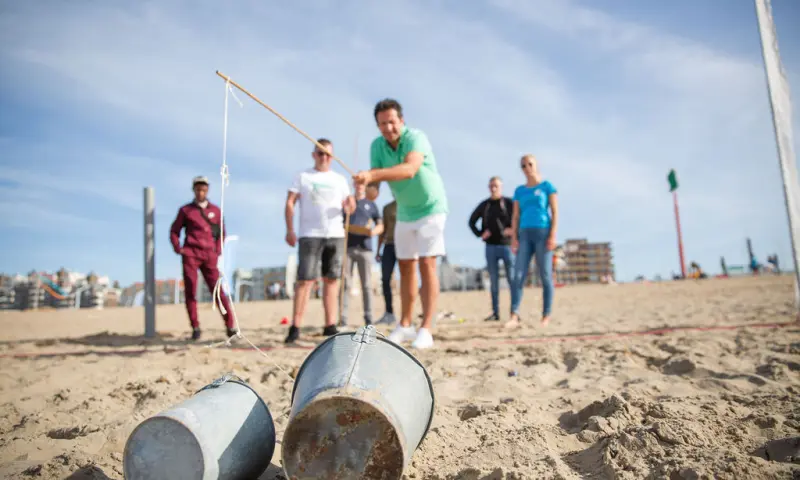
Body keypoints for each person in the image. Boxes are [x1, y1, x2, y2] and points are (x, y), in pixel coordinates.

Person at [353, 98, 448, 349]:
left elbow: (409, 169)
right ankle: (405, 324)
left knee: (427, 263)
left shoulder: (416, 137)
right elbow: (375, 187)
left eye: (392, 122)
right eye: (383, 124)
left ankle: (426, 327)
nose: (388, 128)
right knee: (405, 267)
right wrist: (363, 184)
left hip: (431, 207)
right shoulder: (376, 146)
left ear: (401, 121)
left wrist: (373, 174)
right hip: (404, 210)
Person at [284, 139, 355, 344]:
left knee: (331, 280)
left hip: (335, 234)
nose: (324, 157)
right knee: (305, 280)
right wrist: (289, 229)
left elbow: (349, 208)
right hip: (310, 234)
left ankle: (329, 325)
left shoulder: (340, 180)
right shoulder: (303, 176)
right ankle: (295, 326)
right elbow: (290, 203)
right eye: (320, 153)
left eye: (328, 154)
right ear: (314, 154)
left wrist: (351, 204)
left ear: (332, 157)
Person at [169, 176, 236, 340]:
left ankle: (230, 326)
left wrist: (217, 250)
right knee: (191, 290)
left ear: (207, 190)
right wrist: (179, 249)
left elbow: (221, 233)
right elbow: (174, 231)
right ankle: (196, 327)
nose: (201, 192)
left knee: (218, 290)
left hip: (209, 255)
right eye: (198, 189)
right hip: (191, 254)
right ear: (194, 190)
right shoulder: (186, 211)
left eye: (204, 189)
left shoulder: (216, 210)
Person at [508, 154, 559, 328]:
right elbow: (515, 216)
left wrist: (552, 235)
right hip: (524, 234)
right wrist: (514, 238)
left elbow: (554, 212)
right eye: (523, 166)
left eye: (529, 164)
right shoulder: (519, 191)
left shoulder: (547, 186)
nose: (526, 168)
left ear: (536, 165)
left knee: (545, 275)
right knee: (518, 275)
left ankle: (546, 315)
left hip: (543, 233)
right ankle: (514, 314)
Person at [468, 176, 515, 322]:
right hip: (490, 247)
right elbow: (471, 221)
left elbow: (519, 218)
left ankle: (515, 313)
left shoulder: (509, 203)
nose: (493, 188)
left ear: (501, 187)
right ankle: (495, 313)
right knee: (493, 281)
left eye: (496, 186)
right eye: (491, 186)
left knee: (512, 279)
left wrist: (514, 230)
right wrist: (481, 234)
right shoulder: (485, 205)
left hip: (507, 246)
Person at [339, 180, 383, 326]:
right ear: (353, 185)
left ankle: (369, 319)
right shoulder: (348, 203)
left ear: (365, 186)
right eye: (357, 183)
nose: (359, 185)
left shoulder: (370, 204)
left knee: (367, 285)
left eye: (362, 183)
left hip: (365, 248)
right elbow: (340, 221)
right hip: (349, 247)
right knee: (345, 284)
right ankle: (343, 319)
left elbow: (380, 224)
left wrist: (374, 231)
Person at [375, 198, 398, 325]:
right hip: (389, 245)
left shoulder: (409, 204)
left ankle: (408, 315)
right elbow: (383, 230)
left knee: (407, 279)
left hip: (404, 245)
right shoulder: (387, 208)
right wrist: (378, 250)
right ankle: (389, 312)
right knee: (385, 279)